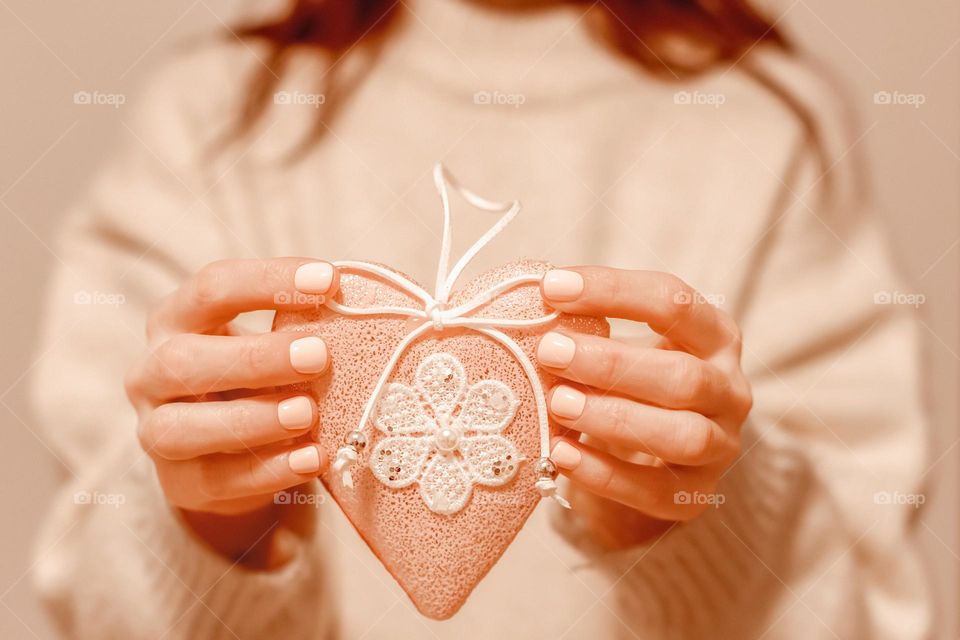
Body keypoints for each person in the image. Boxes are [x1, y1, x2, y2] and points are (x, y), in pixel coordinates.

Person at [30, 0, 929, 637]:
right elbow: (94, 606)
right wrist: (212, 525)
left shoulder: (767, 128)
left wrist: (683, 515)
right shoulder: (215, 119)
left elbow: (860, 612)